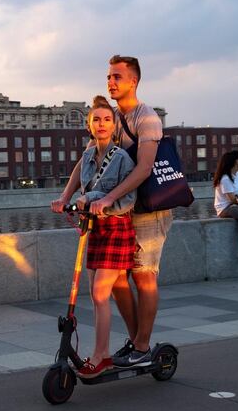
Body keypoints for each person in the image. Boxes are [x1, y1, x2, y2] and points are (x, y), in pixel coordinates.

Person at [53, 55, 167, 368]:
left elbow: (144, 169)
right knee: (116, 281)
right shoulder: (111, 116)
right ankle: (137, 342)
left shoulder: (147, 118)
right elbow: (88, 157)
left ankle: (142, 345)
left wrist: (106, 199)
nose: (111, 82)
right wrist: (66, 194)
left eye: (117, 76)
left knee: (144, 277)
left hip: (150, 208)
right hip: (122, 211)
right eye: (109, 77)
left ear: (134, 81)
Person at [54, 96, 136, 378]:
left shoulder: (122, 158)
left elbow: (129, 198)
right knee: (95, 294)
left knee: (101, 293)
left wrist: (96, 199)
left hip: (116, 227)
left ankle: (101, 356)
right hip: (95, 228)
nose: (101, 124)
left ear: (114, 126)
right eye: (96, 120)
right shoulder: (88, 156)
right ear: (89, 126)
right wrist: (65, 199)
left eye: (107, 120)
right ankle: (104, 352)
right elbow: (79, 180)